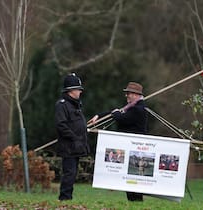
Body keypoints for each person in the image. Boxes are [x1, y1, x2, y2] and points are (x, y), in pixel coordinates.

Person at [89, 81, 148, 202]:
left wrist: (116, 113)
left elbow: (122, 118)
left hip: (135, 149)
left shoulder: (139, 109)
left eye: (129, 93)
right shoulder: (132, 107)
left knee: (134, 179)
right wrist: (99, 116)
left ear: (136, 95)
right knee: (129, 179)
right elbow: (116, 112)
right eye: (126, 93)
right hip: (129, 147)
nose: (127, 96)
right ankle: (133, 202)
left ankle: (136, 201)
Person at [55, 73, 89, 201]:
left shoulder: (75, 105)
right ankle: (64, 198)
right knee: (69, 173)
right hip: (68, 146)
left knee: (73, 173)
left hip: (76, 146)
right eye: (78, 89)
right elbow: (61, 125)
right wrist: (74, 138)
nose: (80, 91)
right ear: (71, 90)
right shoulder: (62, 105)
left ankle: (67, 197)